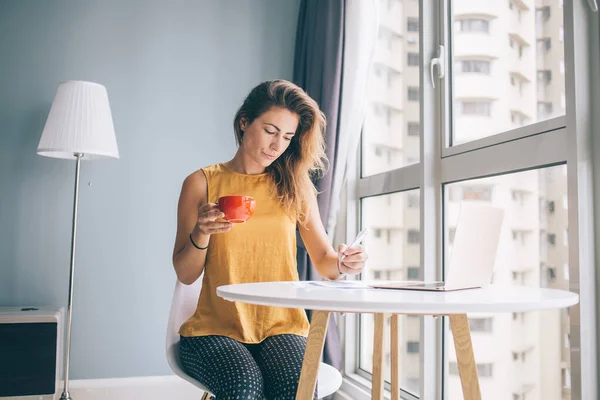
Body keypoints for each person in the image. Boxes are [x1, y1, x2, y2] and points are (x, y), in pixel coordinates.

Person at [172, 80, 368, 399]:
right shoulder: (201, 183)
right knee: (244, 386)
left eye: (288, 137)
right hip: (214, 329)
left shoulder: (295, 186)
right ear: (244, 122)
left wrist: (345, 263)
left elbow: (325, 262)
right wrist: (201, 233)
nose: (277, 145)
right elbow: (185, 273)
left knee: (296, 388)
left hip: (281, 326)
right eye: (271, 130)